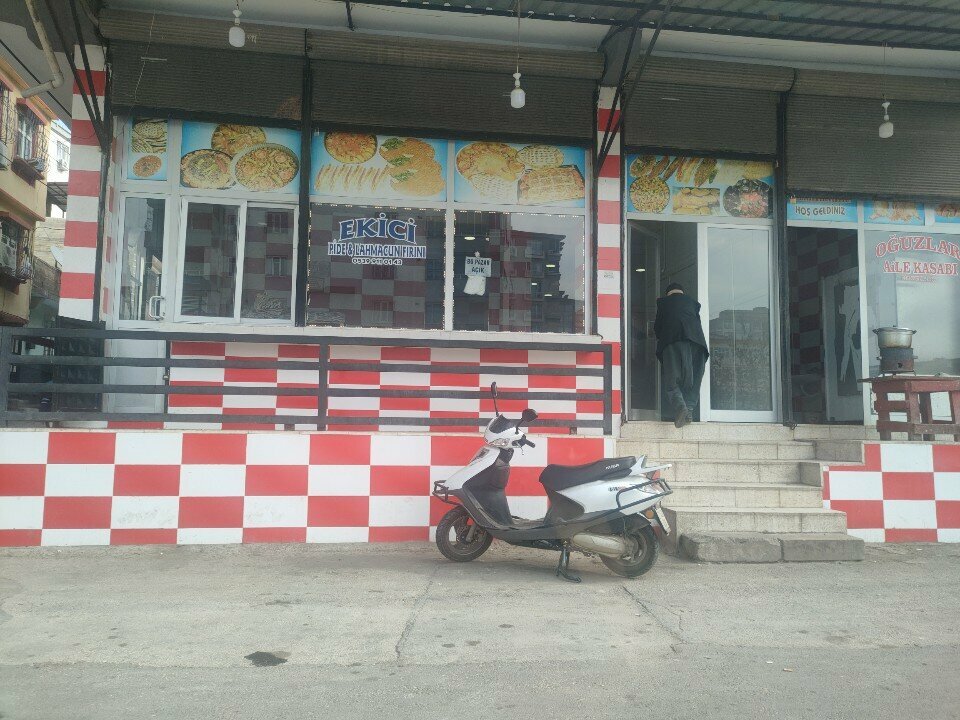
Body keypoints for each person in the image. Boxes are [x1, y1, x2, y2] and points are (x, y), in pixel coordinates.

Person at [653, 282, 709, 428]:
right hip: (698, 344)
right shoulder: (693, 304)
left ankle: (680, 407)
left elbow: (658, 328)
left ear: (668, 293)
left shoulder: (663, 303)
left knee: (672, 379)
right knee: (694, 379)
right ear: (682, 293)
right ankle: (689, 410)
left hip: (672, 341)